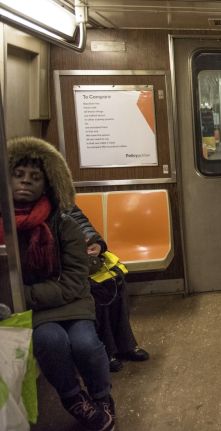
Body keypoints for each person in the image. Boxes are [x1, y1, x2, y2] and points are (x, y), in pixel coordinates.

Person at [0, 136, 116, 431]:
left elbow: (76, 281)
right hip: (34, 311)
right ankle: (74, 399)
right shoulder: (4, 228)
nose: (26, 182)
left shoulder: (63, 224)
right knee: (50, 341)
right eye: (19, 174)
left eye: (35, 177)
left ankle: (102, 397)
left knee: (85, 344)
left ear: (48, 183)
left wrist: (23, 295)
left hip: (69, 301)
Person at [67, 204, 150, 372]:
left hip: (79, 253)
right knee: (98, 291)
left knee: (114, 280)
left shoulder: (57, 196)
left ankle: (125, 344)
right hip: (62, 262)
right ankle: (106, 349)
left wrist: (94, 242)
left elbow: (80, 222)